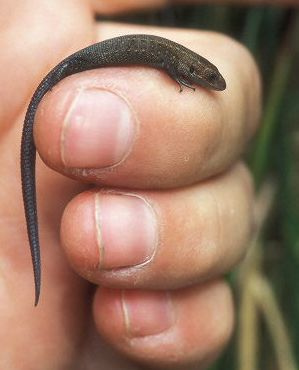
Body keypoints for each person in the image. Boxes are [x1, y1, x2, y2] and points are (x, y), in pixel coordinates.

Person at [2, 0, 278, 368]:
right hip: (69, 67)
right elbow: (168, 65)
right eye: (209, 78)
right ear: (194, 69)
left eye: (210, 79)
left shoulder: (181, 61)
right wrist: (179, 80)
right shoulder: (176, 62)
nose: (215, 85)